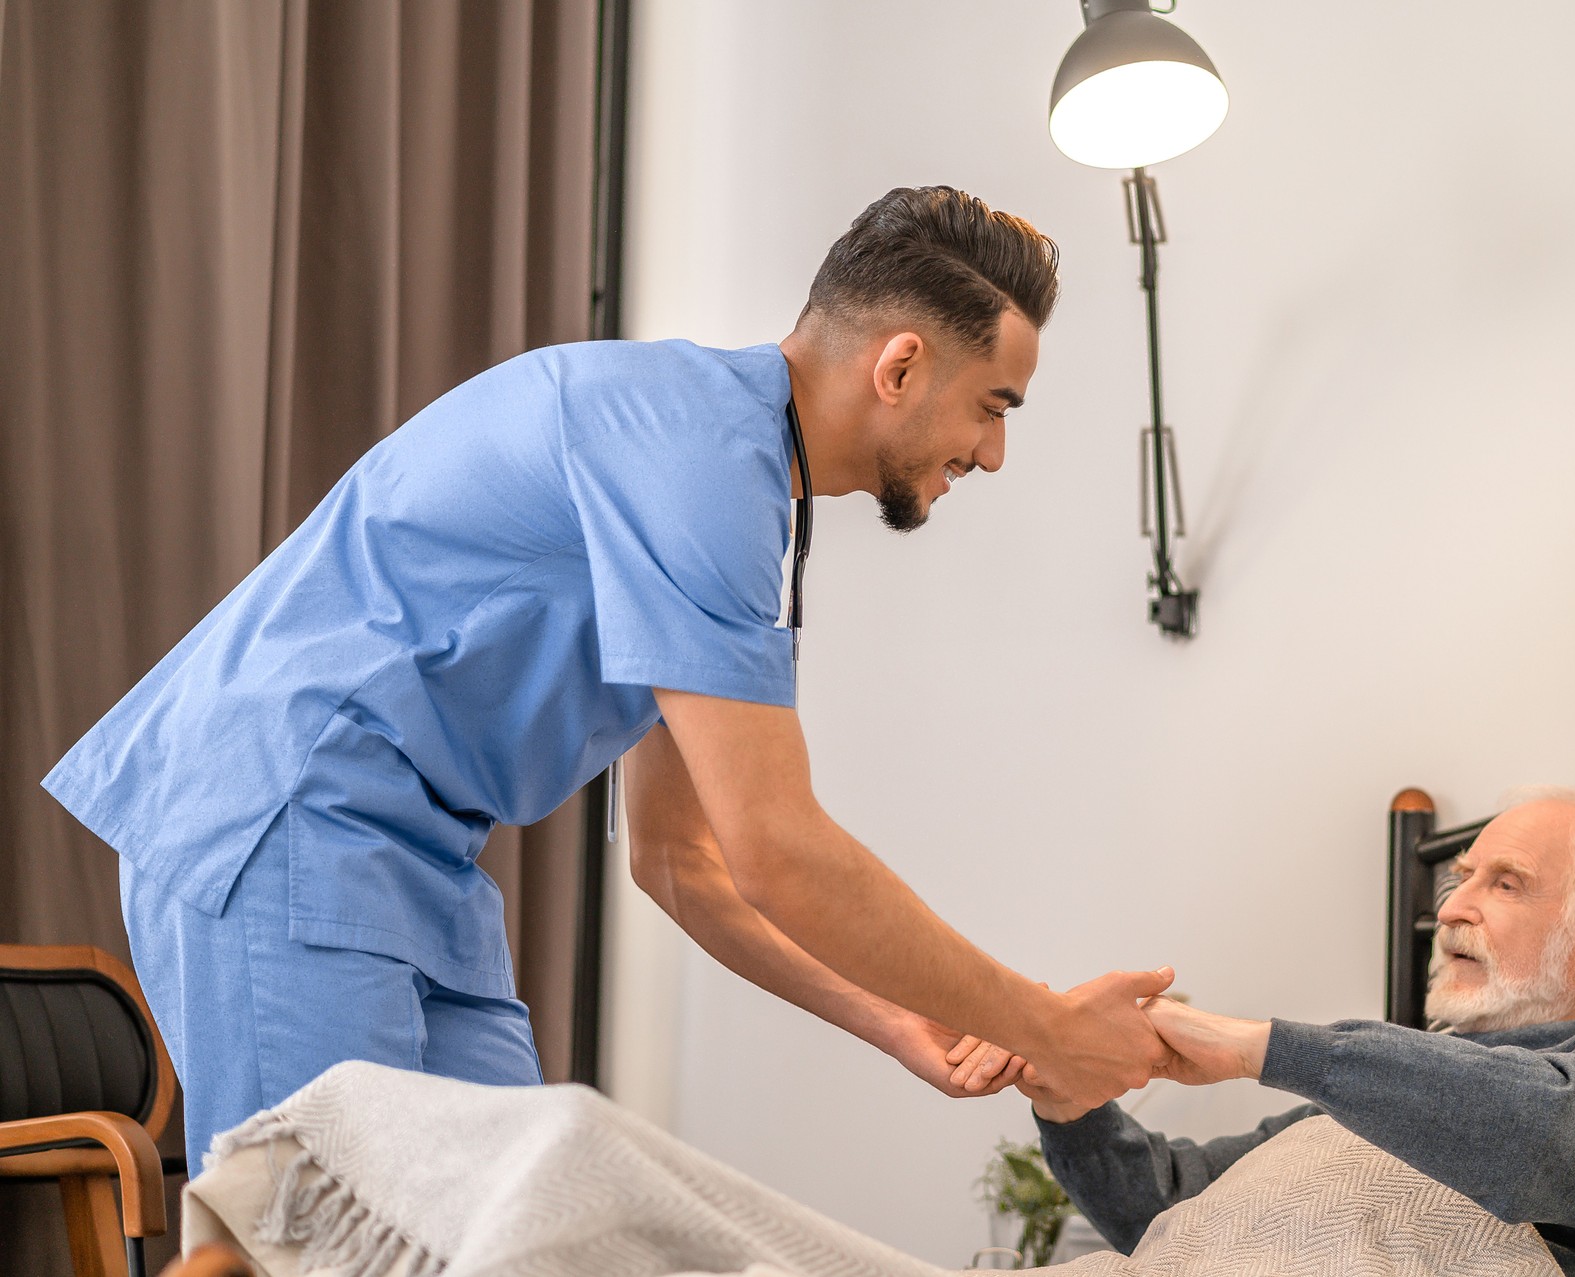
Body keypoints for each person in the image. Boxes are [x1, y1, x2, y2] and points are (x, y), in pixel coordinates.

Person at [43, 185, 1170, 1174]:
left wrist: (902, 1021)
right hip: (286, 811)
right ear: (903, 364)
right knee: (328, 1239)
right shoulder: (694, 458)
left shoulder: (739, 494)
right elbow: (780, 848)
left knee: (518, 1226)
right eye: (994, 407)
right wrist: (1044, 1023)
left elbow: (685, 862)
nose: (992, 455)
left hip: (417, 858)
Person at [1018, 788, 1575, 1277]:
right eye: (1460, 875)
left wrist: (1259, 1047)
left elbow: (1550, 1132)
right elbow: (1167, 1203)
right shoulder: (1362, 1091)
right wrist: (1064, 1096)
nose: (1449, 910)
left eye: (1505, 883)